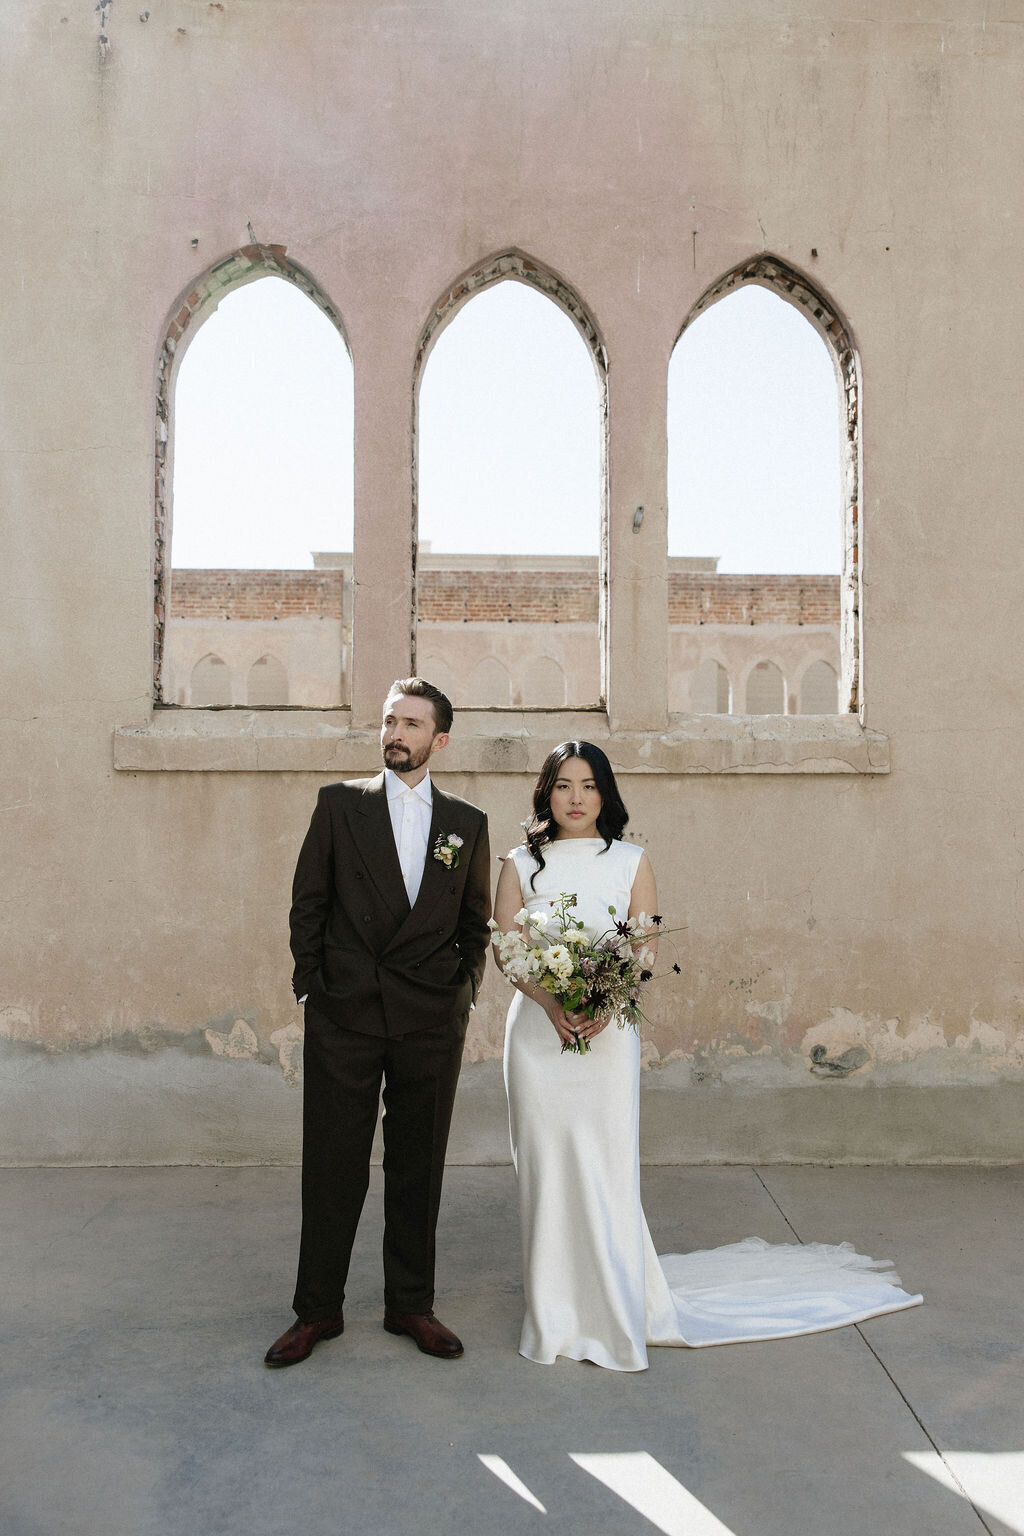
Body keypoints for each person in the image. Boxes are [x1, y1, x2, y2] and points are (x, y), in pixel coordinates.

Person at [493, 741, 922, 1372]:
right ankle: (552, 1309)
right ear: (545, 794)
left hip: (608, 1036)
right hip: (538, 1036)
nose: (576, 798)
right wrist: (553, 1004)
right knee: (545, 1168)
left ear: (605, 793)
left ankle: (611, 1304)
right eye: (562, 786)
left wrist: (602, 1003)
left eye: (588, 785)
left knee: (605, 1166)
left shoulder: (632, 860)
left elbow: (640, 951)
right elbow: (507, 948)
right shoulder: (519, 863)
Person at [265, 678, 491, 1368]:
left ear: (439, 740)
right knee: (332, 1164)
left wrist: (463, 992)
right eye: (390, 720)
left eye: (412, 723)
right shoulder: (339, 805)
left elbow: (473, 920)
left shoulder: (466, 823)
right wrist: (313, 988)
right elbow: (309, 902)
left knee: (417, 1165)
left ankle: (410, 1305)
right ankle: (316, 1311)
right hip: (347, 1013)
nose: (396, 732)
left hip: (429, 1017)